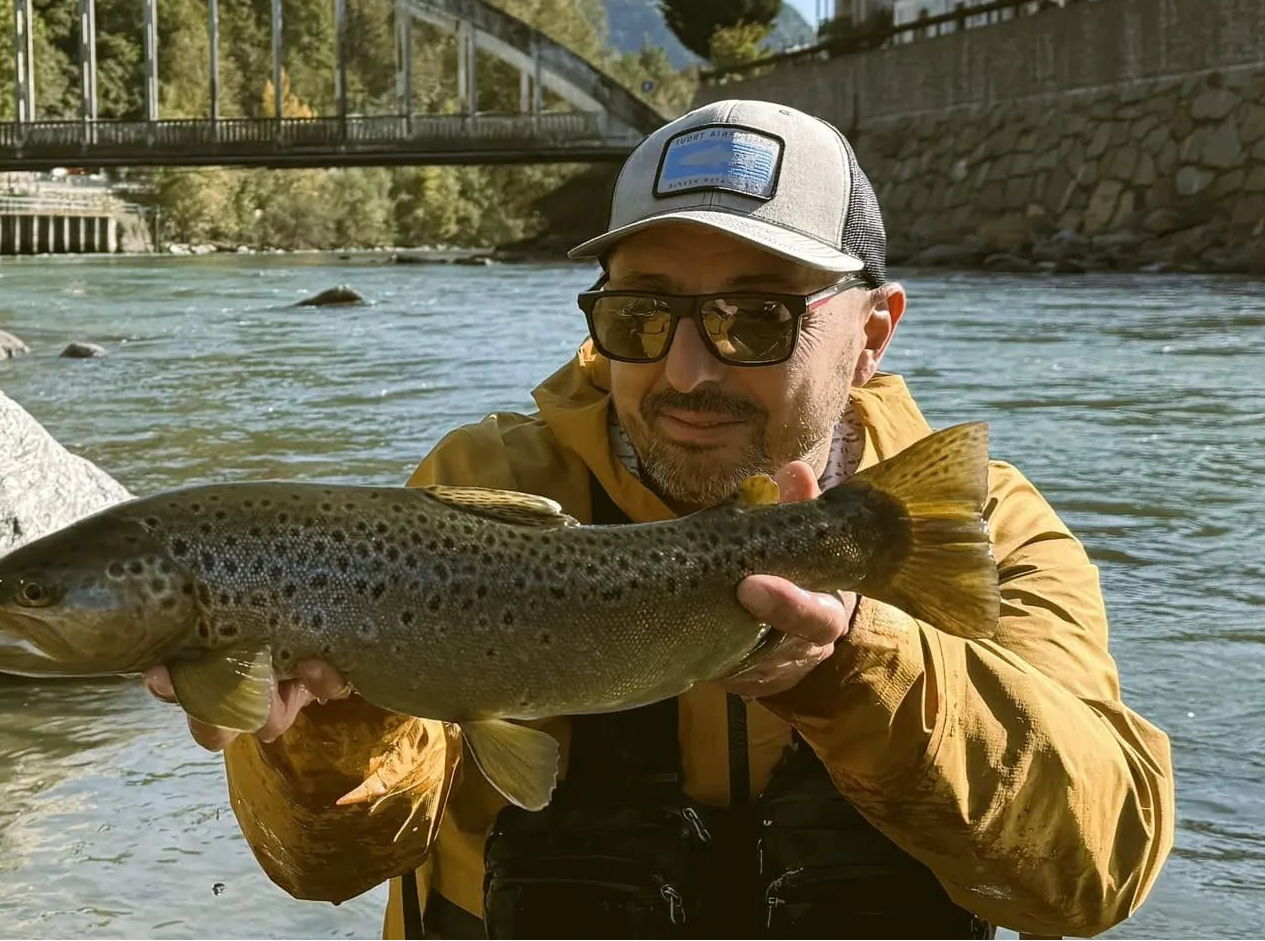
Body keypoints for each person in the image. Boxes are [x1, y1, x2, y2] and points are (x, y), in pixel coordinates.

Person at [143, 99, 1176, 939]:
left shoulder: (963, 520)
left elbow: (1093, 873)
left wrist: (855, 663)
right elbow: (324, 868)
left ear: (872, 332)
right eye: (640, 316)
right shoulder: (480, 487)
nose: (687, 371)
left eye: (756, 317)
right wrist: (330, 720)